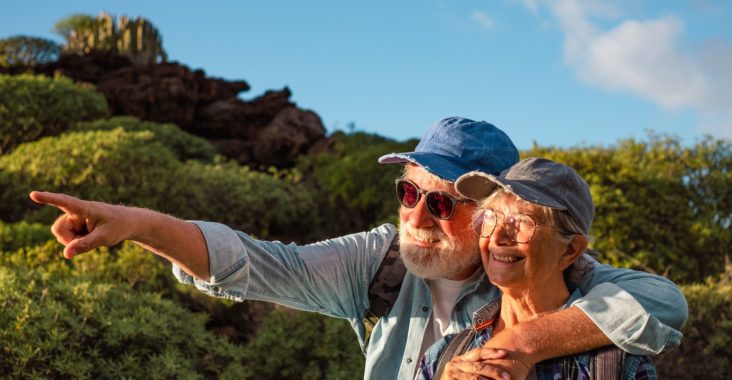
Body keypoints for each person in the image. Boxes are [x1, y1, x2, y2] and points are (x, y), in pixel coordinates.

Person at [30, 117, 686, 380]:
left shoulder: (539, 280)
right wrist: (138, 223)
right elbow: (252, 263)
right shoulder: (378, 263)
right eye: (409, 194)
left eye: (443, 203)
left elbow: (658, 301)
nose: (418, 217)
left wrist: (521, 347)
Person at [416, 157, 659, 379]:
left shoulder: (617, 365)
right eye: (490, 217)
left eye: (521, 221)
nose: (497, 236)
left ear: (570, 250)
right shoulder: (444, 356)